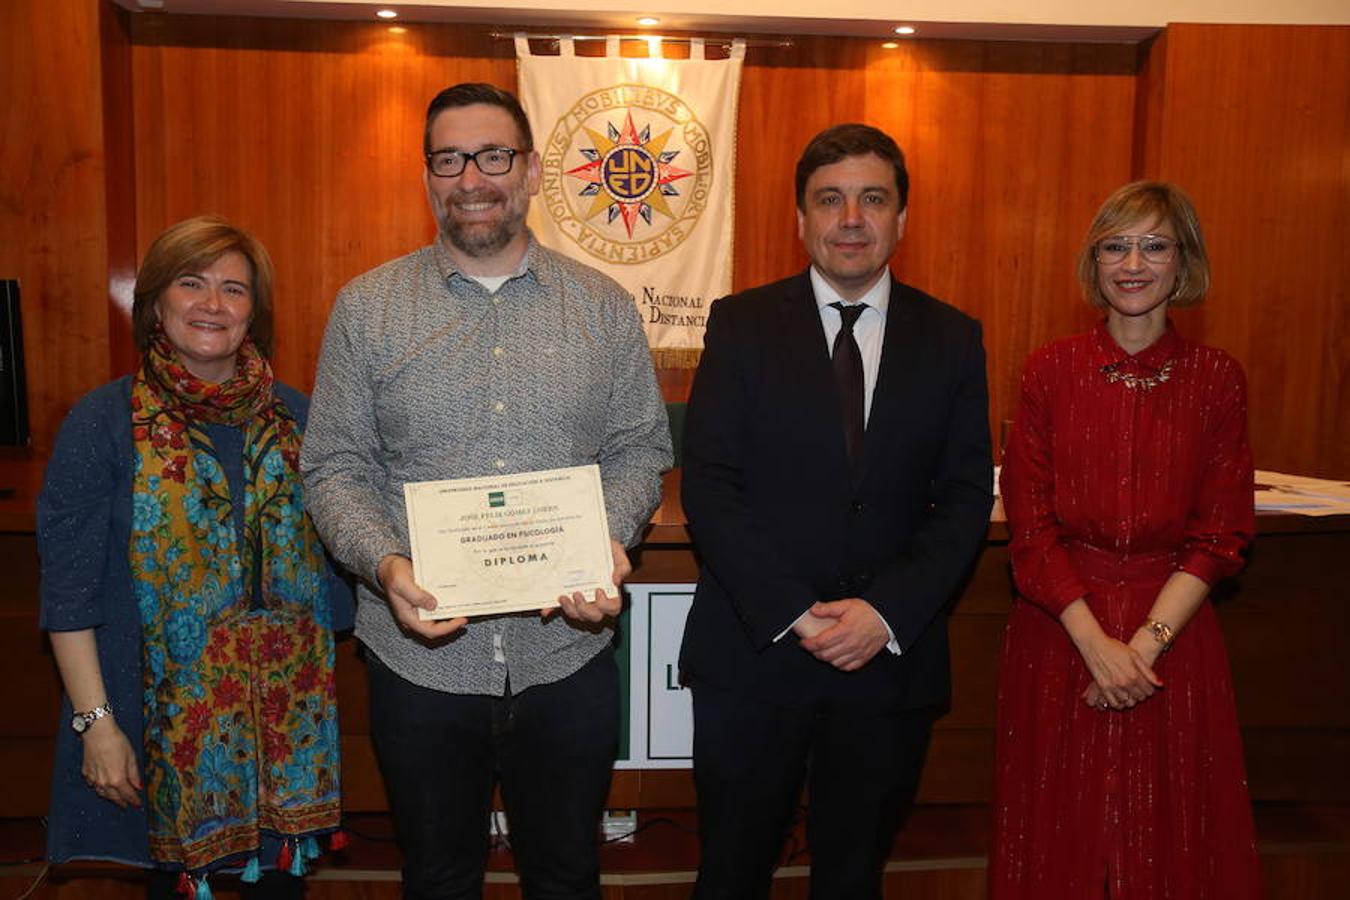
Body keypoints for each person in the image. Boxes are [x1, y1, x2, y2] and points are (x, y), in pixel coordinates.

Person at [299, 82, 671, 899]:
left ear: (533, 171)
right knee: (436, 880)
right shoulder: (367, 308)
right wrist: (387, 567)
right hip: (420, 665)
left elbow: (640, 446)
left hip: (566, 659)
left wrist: (605, 543)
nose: (472, 177)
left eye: (493, 155)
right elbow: (334, 467)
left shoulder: (603, 309)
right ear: (428, 175)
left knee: (568, 876)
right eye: (449, 158)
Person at [678, 123, 994, 899]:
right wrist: (798, 612)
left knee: (853, 877)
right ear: (801, 220)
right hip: (757, 654)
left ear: (901, 221)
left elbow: (962, 497)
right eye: (830, 200)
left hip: (886, 661)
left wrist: (882, 613)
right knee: (731, 874)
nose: (851, 218)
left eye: (872, 199)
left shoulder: (953, 338)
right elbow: (709, 485)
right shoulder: (740, 324)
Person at [38, 215, 352, 898]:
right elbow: (68, 594)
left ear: (253, 313)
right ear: (154, 302)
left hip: (285, 748)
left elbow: (343, 564)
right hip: (154, 731)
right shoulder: (104, 421)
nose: (213, 304)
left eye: (234, 290)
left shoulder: (300, 419)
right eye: (192, 283)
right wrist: (96, 724)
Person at [990, 181, 1263, 897]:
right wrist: (1096, 646)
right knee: (1058, 837)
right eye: (1115, 245)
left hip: (1173, 640)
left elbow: (1221, 534)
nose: (1132, 262)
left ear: (1183, 263)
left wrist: (1141, 649)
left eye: (1153, 245)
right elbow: (1031, 529)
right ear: (1095, 262)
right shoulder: (1048, 372)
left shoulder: (1218, 380)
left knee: (1170, 841)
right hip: (1060, 634)